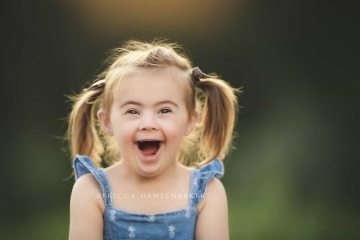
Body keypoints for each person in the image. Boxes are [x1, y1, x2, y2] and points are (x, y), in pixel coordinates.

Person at [67, 39, 241, 240]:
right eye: (132, 111)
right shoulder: (91, 191)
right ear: (106, 122)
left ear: (190, 120)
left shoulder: (206, 193)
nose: (148, 123)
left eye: (164, 110)